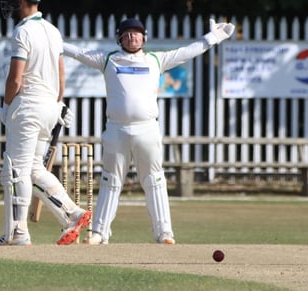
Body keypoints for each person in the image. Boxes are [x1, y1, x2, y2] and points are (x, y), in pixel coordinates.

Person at [63, 17, 235, 245]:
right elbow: (78, 53)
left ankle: (164, 232)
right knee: (110, 180)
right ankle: (99, 232)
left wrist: (211, 38)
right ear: (120, 38)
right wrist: (52, 40)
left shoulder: (156, 59)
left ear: (144, 37)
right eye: (128, 33)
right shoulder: (108, 60)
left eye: (137, 33)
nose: (133, 36)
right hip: (116, 129)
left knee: (154, 180)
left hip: (147, 129)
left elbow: (187, 52)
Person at [0, 0, 91, 246]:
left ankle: (17, 233)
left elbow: (15, 79)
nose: (9, 4)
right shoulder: (53, 30)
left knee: (15, 171)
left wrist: (7, 105)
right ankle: (72, 212)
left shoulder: (23, 32)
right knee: (34, 168)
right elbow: (61, 75)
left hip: (28, 106)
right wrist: (57, 106)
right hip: (49, 106)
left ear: (22, 0)